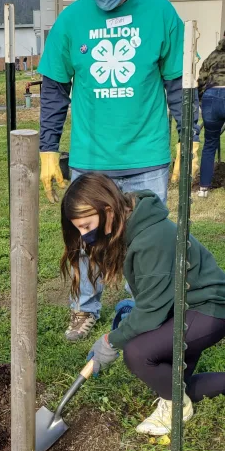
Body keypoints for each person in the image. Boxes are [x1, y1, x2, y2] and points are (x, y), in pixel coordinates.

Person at [38, 0, 200, 342]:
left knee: (145, 242)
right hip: (92, 157)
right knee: (86, 237)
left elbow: (178, 86)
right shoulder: (72, 20)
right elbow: (55, 89)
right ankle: (84, 308)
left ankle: (141, 309)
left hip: (147, 156)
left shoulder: (161, 14)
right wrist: (47, 150)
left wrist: (190, 138)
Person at [60, 172, 225, 435]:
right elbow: (154, 293)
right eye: (79, 228)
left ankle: (176, 408)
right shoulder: (133, 223)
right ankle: (177, 397)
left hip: (208, 309)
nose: (84, 235)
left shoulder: (151, 238)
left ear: (109, 210)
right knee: (175, 383)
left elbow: (149, 312)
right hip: (185, 306)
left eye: (87, 226)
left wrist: (110, 341)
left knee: (138, 353)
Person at [197, 32, 225, 198]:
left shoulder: (213, 56)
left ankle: (203, 189)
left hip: (211, 97)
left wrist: (202, 101)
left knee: (210, 143)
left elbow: (201, 80)